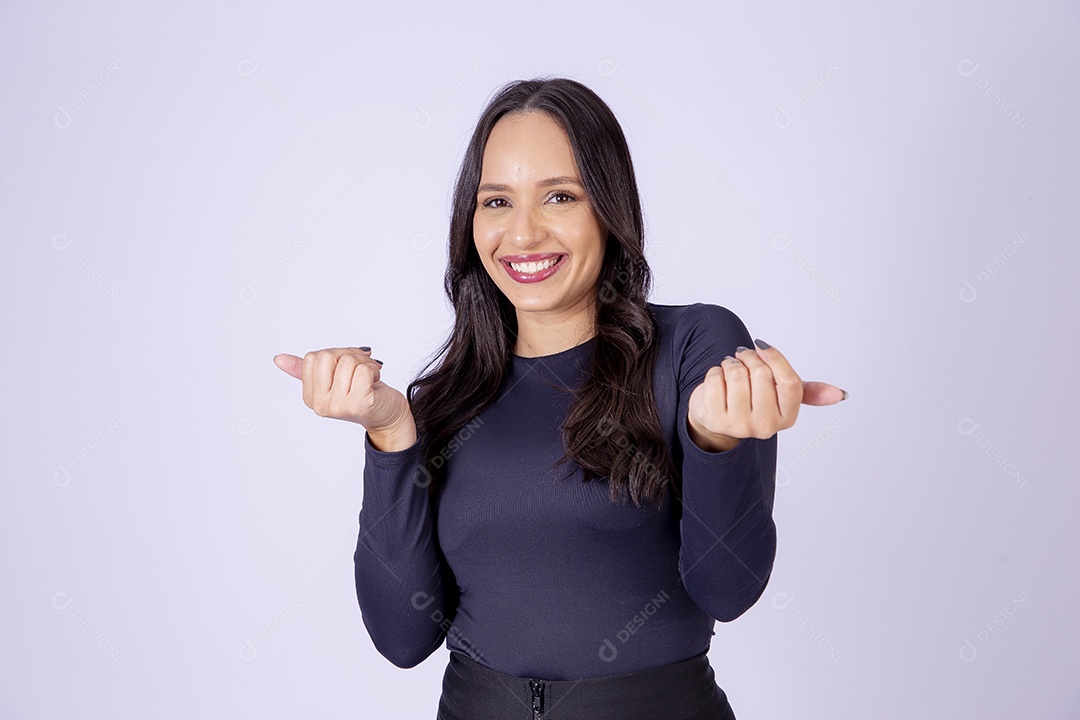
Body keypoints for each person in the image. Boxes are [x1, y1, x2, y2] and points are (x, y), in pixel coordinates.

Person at [274, 76, 846, 720]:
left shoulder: (692, 346)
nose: (522, 234)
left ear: (609, 208)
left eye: (559, 196)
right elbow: (402, 640)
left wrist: (715, 442)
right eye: (496, 202)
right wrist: (389, 436)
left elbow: (728, 589)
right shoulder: (441, 402)